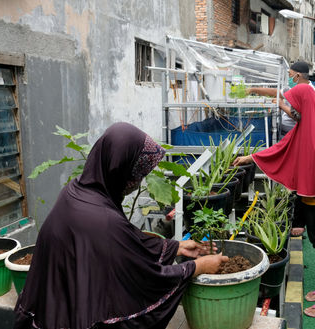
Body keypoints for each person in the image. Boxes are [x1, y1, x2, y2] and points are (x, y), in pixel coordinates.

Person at [14, 122, 228, 329]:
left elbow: (125, 241)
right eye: (135, 176)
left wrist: (175, 247)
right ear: (119, 171)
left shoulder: (77, 192)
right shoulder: (103, 220)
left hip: (50, 312)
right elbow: (143, 277)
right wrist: (196, 267)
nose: (138, 183)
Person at [233, 73, 315, 318]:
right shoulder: (306, 126)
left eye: (295, 104)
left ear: (306, 103)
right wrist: (249, 158)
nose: (292, 108)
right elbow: (282, 148)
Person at [246, 61, 315, 237]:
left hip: (304, 141)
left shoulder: (312, 94)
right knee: (297, 179)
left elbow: (302, 118)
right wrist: (253, 90)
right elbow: (279, 93)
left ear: (298, 75)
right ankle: (297, 220)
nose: (289, 76)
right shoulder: (299, 89)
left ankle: (299, 223)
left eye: (290, 73)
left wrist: (282, 106)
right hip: (294, 138)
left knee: (302, 180)